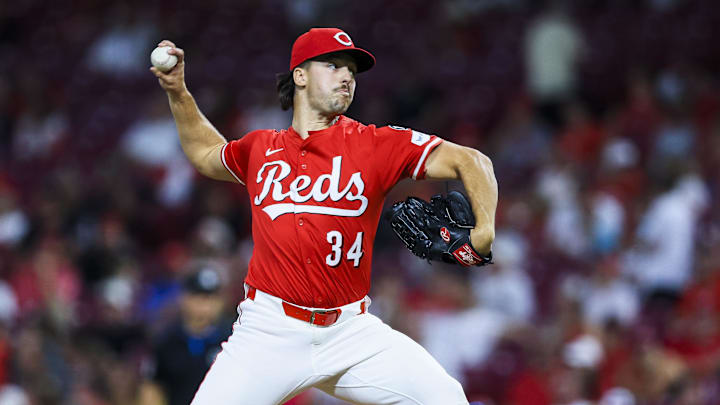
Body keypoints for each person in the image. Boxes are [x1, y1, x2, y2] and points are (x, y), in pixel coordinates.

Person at [150, 27, 497, 404]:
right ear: (300, 75)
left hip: (350, 332)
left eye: (351, 70)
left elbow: (472, 160)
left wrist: (483, 233)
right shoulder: (260, 149)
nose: (347, 76)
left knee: (446, 398)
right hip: (269, 332)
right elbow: (205, 153)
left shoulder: (376, 144)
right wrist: (178, 93)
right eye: (333, 65)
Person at [141, 265, 233, 405]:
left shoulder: (233, 340)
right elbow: (152, 389)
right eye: (198, 297)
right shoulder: (166, 342)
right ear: (184, 298)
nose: (205, 305)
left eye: (210, 298)